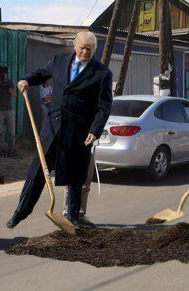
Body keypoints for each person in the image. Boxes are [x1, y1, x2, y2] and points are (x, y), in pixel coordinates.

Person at [7, 31, 113, 228]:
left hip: (78, 132)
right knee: (37, 171)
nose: (85, 52)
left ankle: (71, 220)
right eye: (82, 48)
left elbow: (104, 106)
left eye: (89, 49)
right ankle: (20, 213)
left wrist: (94, 130)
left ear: (95, 50)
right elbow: (42, 74)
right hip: (53, 127)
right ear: (74, 46)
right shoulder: (59, 60)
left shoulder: (102, 73)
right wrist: (27, 80)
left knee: (74, 176)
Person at [0, 66, 17, 156]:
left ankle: (12, 150)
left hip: (9, 110)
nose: (3, 75)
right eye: (2, 74)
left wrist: (7, 88)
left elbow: (15, 95)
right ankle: (2, 149)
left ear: (7, 74)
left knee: (12, 131)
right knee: (1, 131)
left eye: (5, 74)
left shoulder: (9, 82)